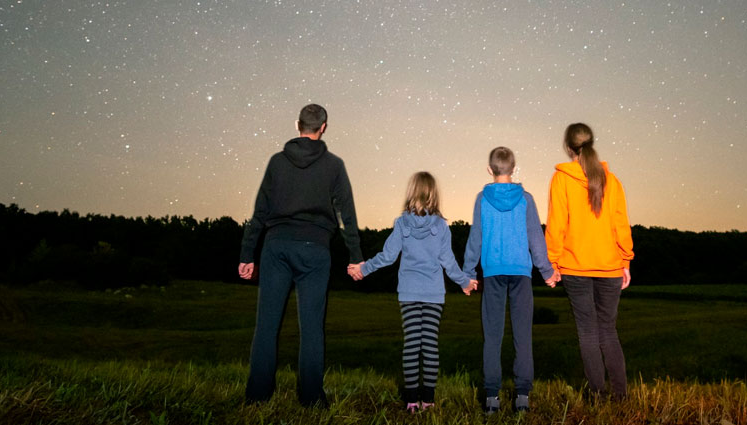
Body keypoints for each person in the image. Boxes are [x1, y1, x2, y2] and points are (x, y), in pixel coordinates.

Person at [237, 103, 364, 407]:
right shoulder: (334, 165)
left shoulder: (277, 163)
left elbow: (260, 211)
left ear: (298, 125)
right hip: (315, 250)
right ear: (324, 127)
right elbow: (345, 214)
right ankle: (311, 399)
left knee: (267, 324)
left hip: (276, 247)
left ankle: (257, 397)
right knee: (312, 327)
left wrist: (247, 253)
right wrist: (355, 255)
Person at [348, 172, 475, 413]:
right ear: (433, 195)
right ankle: (428, 399)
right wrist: (464, 282)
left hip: (408, 293)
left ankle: (411, 401)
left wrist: (364, 269)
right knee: (429, 345)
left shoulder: (402, 223)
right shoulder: (441, 227)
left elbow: (387, 256)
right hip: (434, 295)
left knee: (411, 344)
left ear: (410, 193)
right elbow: (448, 262)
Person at [461, 146, 556, 414]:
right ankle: (522, 397)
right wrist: (547, 271)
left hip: (492, 273)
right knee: (522, 335)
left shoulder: (482, 199)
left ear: (489, 170)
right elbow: (536, 237)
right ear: (514, 169)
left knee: (492, 336)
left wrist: (468, 273)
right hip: (521, 274)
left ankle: (492, 398)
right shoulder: (526, 199)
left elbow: (475, 238)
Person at [544, 123, 635, 400]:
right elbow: (621, 224)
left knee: (587, 332)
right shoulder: (613, 180)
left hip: (575, 267)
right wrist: (625, 260)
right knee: (608, 330)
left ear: (569, 147)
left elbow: (556, 224)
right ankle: (621, 396)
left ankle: (597, 395)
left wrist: (553, 262)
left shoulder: (561, 179)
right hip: (609, 266)